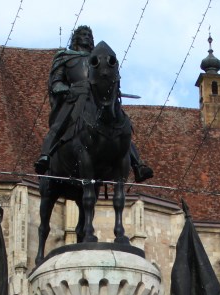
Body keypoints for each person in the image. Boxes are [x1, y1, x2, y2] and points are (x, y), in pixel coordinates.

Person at [34, 25, 152, 183]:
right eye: (83, 34)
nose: (87, 37)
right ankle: (45, 156)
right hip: (75, 98)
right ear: (76, 38)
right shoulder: (65, 57)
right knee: (59, 124)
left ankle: (138, 165)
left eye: (89, 35)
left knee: (120, 126)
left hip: (95, 97)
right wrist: (69, 89)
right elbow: (56, 83)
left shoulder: (97, 60)